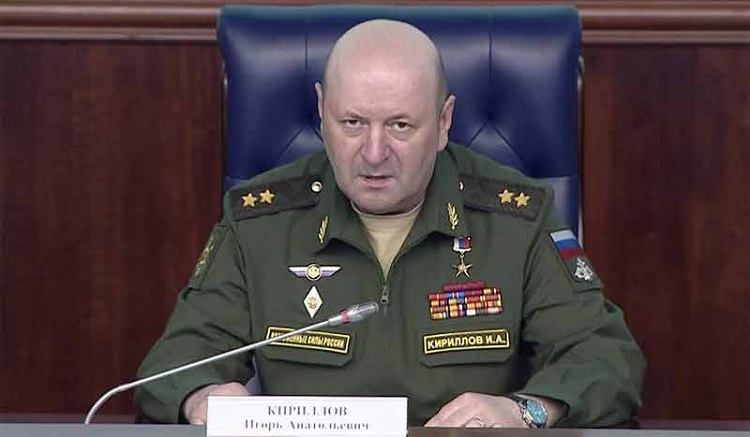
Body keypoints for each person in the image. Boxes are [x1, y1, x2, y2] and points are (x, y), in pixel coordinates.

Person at [135, 19, 645, 428]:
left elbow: (606, 359)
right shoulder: (259, 220)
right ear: (321, 111)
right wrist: (201, 397)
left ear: (443, 122)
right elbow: (173, 364)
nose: (374, 153)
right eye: (352, 123)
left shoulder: (517, 220)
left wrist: (526, 411)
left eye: (400, 125)